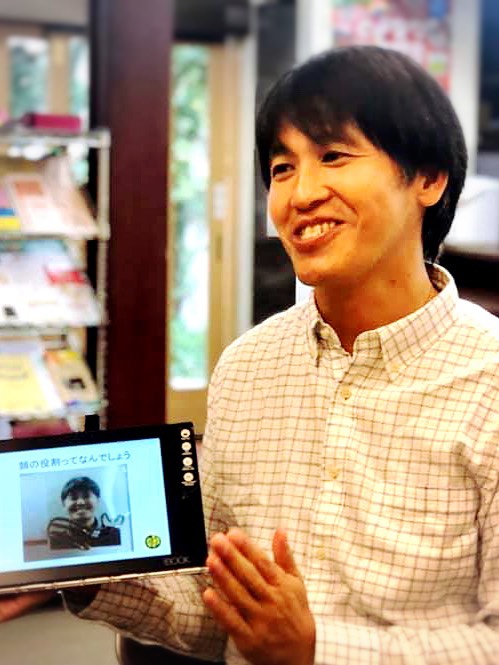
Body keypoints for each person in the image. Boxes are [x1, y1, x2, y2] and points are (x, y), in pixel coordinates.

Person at [3, 45, 499, 663]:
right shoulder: (247, 367)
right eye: (282, 168)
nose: (301, 193)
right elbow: (216, 611)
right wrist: (86, 571)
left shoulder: (488, 380)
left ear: (428, 178)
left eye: (333, 156)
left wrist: (315, 648)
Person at [48, 476, 121, 550]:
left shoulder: (115, 535)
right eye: (73, 498)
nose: (81, 502)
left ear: (98, 500)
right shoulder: (56, 540)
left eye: (86, 496)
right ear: (64, 504)